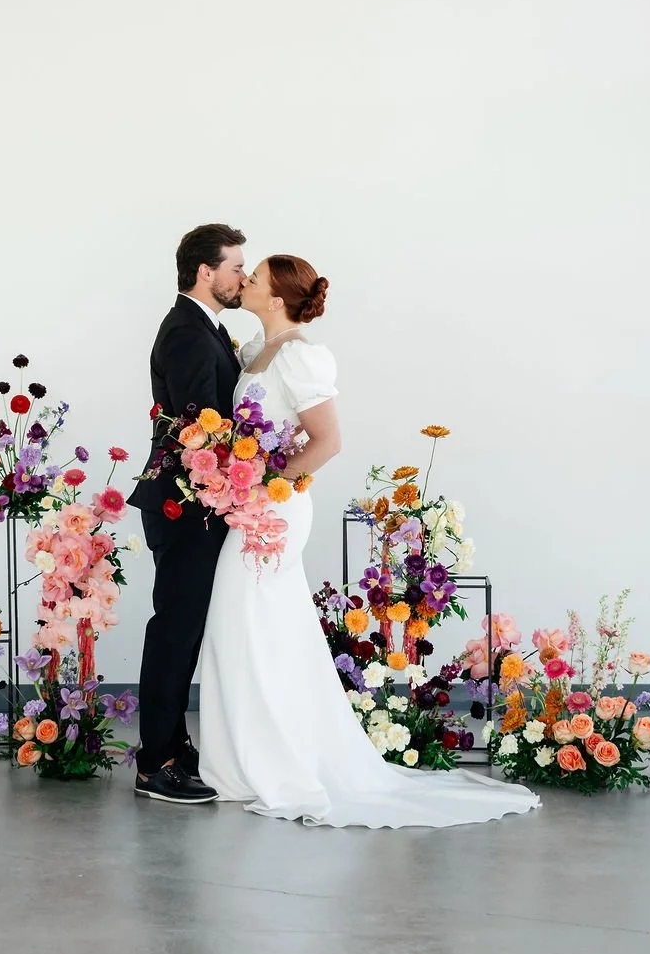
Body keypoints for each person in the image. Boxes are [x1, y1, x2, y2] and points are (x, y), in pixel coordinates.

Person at [193, 254, 539, 828]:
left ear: (277, 298)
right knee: (248, 625)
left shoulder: (302, 354)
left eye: (255, 279)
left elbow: (327, 442)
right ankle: (244, 759)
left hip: (273, 512)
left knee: (254, 621)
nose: (245, 282)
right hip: (253, 507)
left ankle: (275, 761)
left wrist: (265, 486)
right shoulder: (258, 350)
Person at [128, 224, 245, 803]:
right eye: (235, 267)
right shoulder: (187, 333)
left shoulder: (207, 329)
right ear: (207, 270)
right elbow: (203, 427)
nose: (242, 277)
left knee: (185, 628)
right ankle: (156, 763)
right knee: (175, 631)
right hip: (185, 505)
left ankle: (172, 745)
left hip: (197, 502)